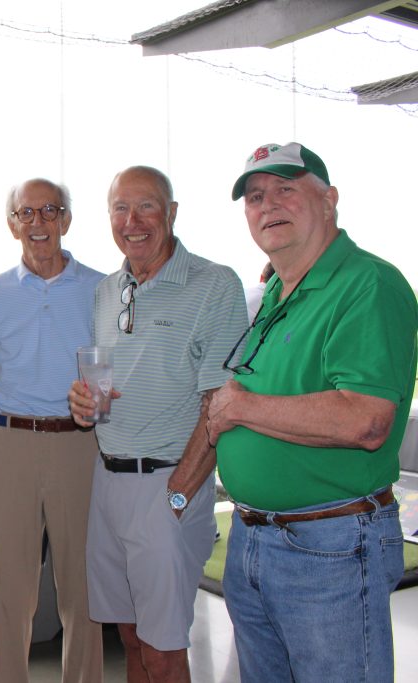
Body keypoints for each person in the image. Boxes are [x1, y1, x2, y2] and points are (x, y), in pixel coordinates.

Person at [206, 142, 418, 683]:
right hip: (255, 539)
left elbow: (366, 419)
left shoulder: (366, 284)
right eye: (254, 196)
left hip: (330, 549)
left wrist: (242, 407)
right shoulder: (277, 290)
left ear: (329, 201)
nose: (267, 203)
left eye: (285, 189)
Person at [68, 166, 246, 683]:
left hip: (168, 484)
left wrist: (176, 496)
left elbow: (221, 402)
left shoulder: (214, 284)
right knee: (128, 636)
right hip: (108, 483)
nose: (133, 220)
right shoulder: (106, 291)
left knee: (164, 649)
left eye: (146, 206)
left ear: (171, 213)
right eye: (120, 209)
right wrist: (83, 403)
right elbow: (105, 385)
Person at [0, 178, 104, 682]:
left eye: (49, 211)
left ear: (66, 220)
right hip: (11, 444)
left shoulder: (103, 289)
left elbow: (118, 374)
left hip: (81, 446)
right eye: (27, 213)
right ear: (12, 223)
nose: (38, 222)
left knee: (82, 591)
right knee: (11, 594)